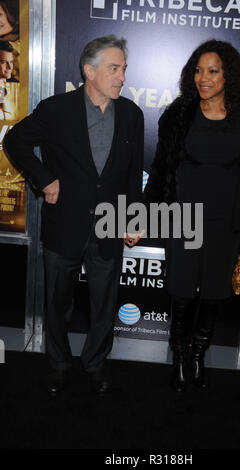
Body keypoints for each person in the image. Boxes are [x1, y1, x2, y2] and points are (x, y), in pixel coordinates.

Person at [4, 35, 144, 395]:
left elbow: (133, 173)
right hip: (64, 224)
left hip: (110, 226)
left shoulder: (132, 114)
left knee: (104, 304)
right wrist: (44, 179)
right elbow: (14, 141)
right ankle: (58, 364)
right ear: (89, 71)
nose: (122, 76)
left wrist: (135, 218)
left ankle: (96, 364)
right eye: (114, 68)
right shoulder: (55, 109)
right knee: (57, 303)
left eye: (124, 69)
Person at [144, 40, 240, 392]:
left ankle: (199, 354)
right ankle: (180, 356)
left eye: (212, 71)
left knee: (214, 293)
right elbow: (160, 172)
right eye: (198, 71)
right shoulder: (179, 115)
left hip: (226, 225)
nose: (204, 78)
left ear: (227, 74)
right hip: (183, 221)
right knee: (182, 292)